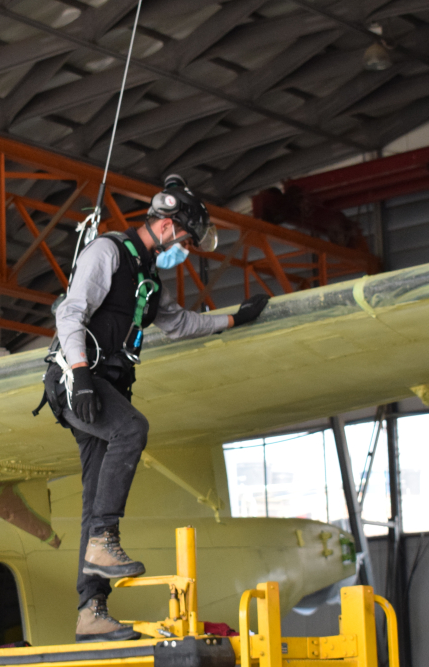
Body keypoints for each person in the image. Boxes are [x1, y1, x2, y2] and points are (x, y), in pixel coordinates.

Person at [41, 175, 270, 642]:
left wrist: (234, 319)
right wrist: (81, 374)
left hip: (106, 387)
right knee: (131, 431)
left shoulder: (148, 277)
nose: (183, 248)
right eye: (185, 239)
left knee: (94, 497)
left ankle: (91, 610)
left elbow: (179, 322)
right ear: (167, 228)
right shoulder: (107, 252)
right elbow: (71, 312)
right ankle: (105, 543)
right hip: (78, 382)